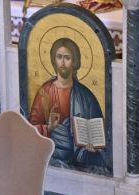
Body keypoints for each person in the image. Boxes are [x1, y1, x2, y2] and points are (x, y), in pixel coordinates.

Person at [29, 38, 106, 167]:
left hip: (79, 158)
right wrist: (49, 128)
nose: (62, 62)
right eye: (59, 57)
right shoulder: (44, 92)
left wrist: (93, 147)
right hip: (50, 157)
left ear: (75, 62)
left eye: (67, 58)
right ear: (54, 60)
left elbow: (98, 131)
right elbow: (31, 129)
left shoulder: (87, 96)